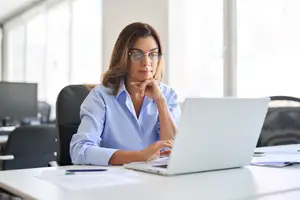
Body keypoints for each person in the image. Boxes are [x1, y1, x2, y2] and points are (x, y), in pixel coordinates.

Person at [70, 22, 181, 166]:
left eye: (153, 54)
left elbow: (174, 151)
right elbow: (79, 150)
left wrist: (160, 101)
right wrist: (139, 156)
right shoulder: (101, 97)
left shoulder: (168, 95)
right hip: (112, 181)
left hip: (156, 181)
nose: (146, 62)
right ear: (123, 57)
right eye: (137, 54)